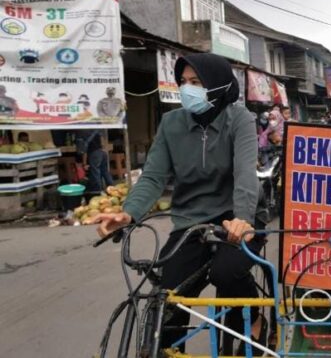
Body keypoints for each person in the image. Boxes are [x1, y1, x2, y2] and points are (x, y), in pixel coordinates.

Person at [93, 53, 264, 354]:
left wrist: (243, 218)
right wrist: (128, 213)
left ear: (219, 86)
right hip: (191, 220)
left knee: (226, 273)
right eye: (183, 82)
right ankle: (169, 350)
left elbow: (245, 174)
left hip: (237, 214)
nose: (188, 89)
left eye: (196, 83)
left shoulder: (240, 119)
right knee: (168, 295)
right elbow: (152, 177)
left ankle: (252, 320)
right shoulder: (171, 123)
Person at [76, 130, 114, 195]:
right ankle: (112, 187)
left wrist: (84, 163)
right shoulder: (95, 131)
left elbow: (84, 151)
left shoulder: (82, 134)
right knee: (105, 171)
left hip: (94, 154)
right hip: (102, 152)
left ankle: (97, 191)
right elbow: (102, 140)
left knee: (95, 173)